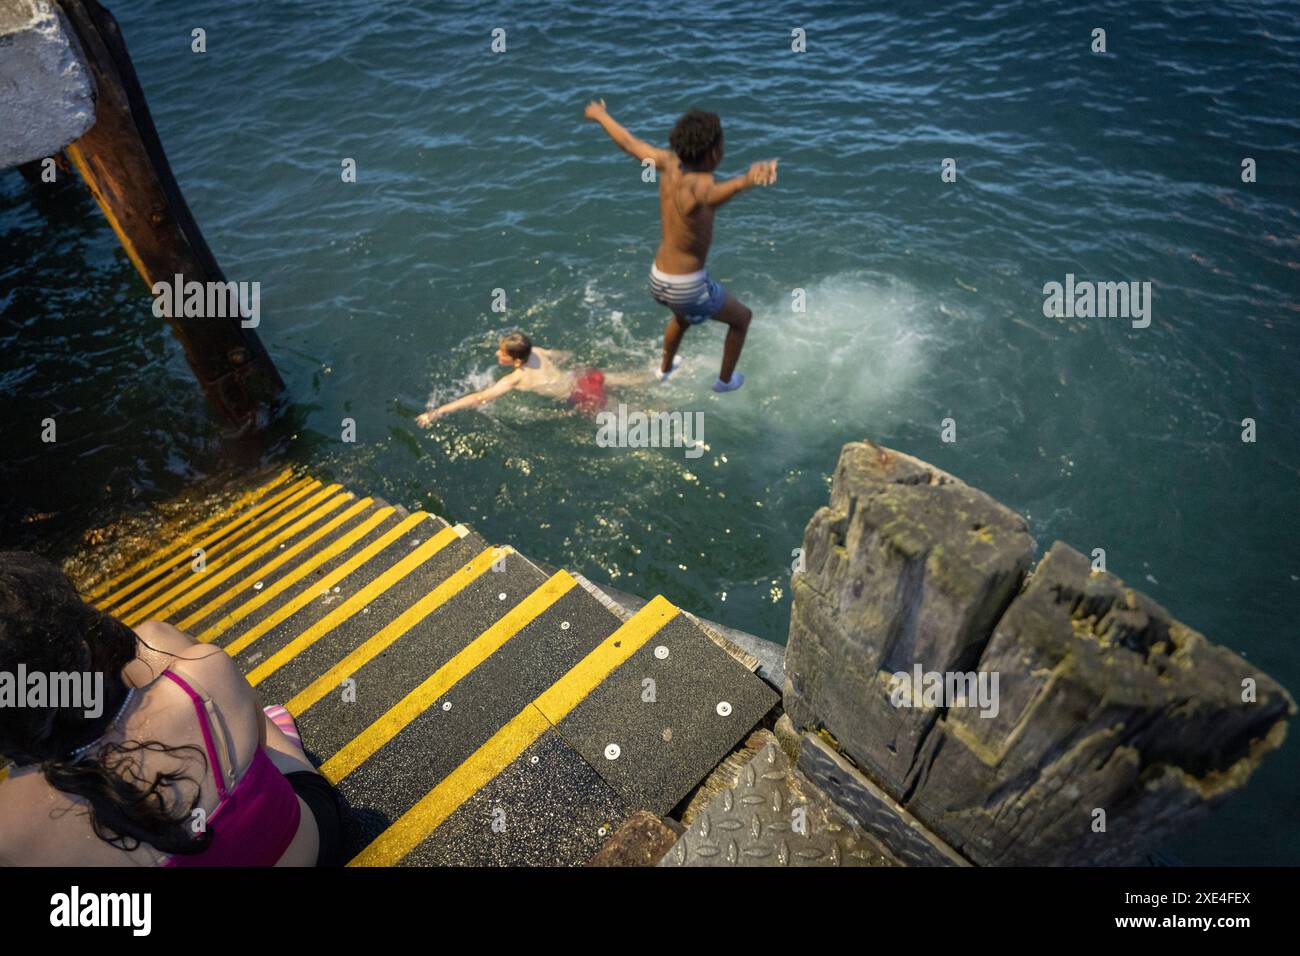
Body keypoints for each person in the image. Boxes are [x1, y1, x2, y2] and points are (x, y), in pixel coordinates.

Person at [0, 551, 345, 866]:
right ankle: (276, 739)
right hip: (310, 849)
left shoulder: (9, 827)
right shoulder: (203, 673)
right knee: (156, 638)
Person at [584, 99, 778, 393]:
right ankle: (725, 381)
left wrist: (600, 116)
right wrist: (746, 181)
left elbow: (628, 142)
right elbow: (712, 195)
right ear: (714, 151)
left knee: (682, 318)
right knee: (742, 319)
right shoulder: (702, 183)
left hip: (658, 277)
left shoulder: (665, 162)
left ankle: (664, 369)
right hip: (686, 286)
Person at [416, 332, 646, 423]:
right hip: (584, 376)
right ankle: (659, 373)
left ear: (516, 361)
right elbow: (562, 355)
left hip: (581, 395)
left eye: (502, 353)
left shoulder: (514, 379)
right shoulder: (536, 351)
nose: (497, 353)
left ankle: (656, 413)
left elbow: (478, 398)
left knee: (628, 415)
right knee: (626, 379)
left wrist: (436, 412)